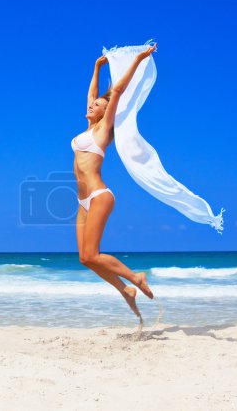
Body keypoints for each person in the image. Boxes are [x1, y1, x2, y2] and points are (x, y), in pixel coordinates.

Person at [71, 43, 157, 317]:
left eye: (96, 106)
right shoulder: (87, 128)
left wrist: (139, 60)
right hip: (82, 200)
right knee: (85, 258)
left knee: (94, 254)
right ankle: (126, 290)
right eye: (93, 104)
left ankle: (136, 278)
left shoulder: (103, 131)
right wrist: (96, 68)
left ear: (104, 112)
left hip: (99, 196)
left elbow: (116, 91)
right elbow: (92, 93)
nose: (91, 105)